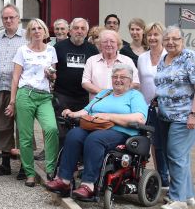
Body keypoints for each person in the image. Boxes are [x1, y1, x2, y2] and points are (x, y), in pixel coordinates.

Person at [45, 63, 148, 201]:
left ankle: (88, 185)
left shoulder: (135, 96)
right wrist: (72, 113)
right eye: (115, 76)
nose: (118, 80)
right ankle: (64, 180)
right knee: (74, 135)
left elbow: (140, 118)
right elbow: (87, 111)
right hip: (94, 127)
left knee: (95, 139)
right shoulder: (104, 93)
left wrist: (110, 116)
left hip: (120, 132)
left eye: (122, 77)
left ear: (130, 80)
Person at [155, 26, 195, 209]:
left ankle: (178, 200)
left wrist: (194, 113)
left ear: (182, 40)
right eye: (167, 39)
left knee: (175, 153)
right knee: (180, 155)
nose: (170, 42)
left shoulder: (189, 57)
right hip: (166, 115)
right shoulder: (164, 59)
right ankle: (187, 194)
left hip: (186, 114)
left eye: (175, 39)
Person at [5, 18, 58, 185]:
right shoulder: (22, 50)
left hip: (44, 96)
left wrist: (52, 75)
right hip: (25, 95)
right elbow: (15, 78)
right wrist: (12, 101)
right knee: (26, 137)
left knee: (51, 129)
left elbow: (54, 76)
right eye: (33, 29)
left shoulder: (51, 51)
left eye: (40, 28)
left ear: (45, 32)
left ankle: (50, 169)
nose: (36, 31)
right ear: (29, 33)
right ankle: (29, 173)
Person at [0, 4, 26, 177]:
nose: (9, 20)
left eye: (12, 17)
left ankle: (26, 166)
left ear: (18, 18)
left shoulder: (27, 37)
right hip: (2, 87)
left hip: (22, 89)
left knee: (23, 128)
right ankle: (5, 165)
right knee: (2, 126)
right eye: (5, 18)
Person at [52, 18, 97, 145]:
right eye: (76, 28)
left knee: (83, 130)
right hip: (63, 95)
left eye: (83, 29)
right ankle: (61, 161)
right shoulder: (58, 47)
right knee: (61, 132)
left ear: (87, 32)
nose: (79, 31)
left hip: (84, 97)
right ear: (70, 31)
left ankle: (80, 160)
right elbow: (52, 69)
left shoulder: (92, 50)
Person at [137, 21, 168, 185]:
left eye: (156, 34)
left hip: (164, 106)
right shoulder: (142, 58)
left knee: (161, 144)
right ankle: (143, 176)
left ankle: (164, 178)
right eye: (149, 34)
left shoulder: (168, 56)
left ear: (162, 36)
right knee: (145, 143)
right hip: (146, 106)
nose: (152, 37)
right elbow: (141, 83)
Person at [82, 29, 139, 100]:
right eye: (105, 42)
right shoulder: (91, 60)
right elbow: (85, 82)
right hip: (97, 104)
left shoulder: (127, 61)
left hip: (121, 102)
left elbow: (136, 83)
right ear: (100, 45)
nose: (108, 44)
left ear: (118, 44)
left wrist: (117, 93)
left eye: (112, 41)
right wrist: (103, 93)